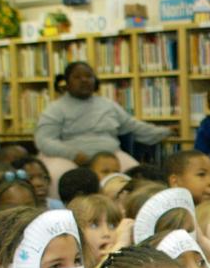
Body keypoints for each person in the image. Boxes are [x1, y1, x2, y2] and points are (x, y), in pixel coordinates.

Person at [35, 62, 171, 193]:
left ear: (95, 81)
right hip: (68, 159)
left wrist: (165, 131)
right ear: (66, 82)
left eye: (88, 76)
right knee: (56, 177)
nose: (84, 80)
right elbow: (44, 140)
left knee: (138, 177)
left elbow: (132, 126)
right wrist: (72, 154)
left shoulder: (108, 105)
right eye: (77, 77)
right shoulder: (55, 108)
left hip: (110, 155)